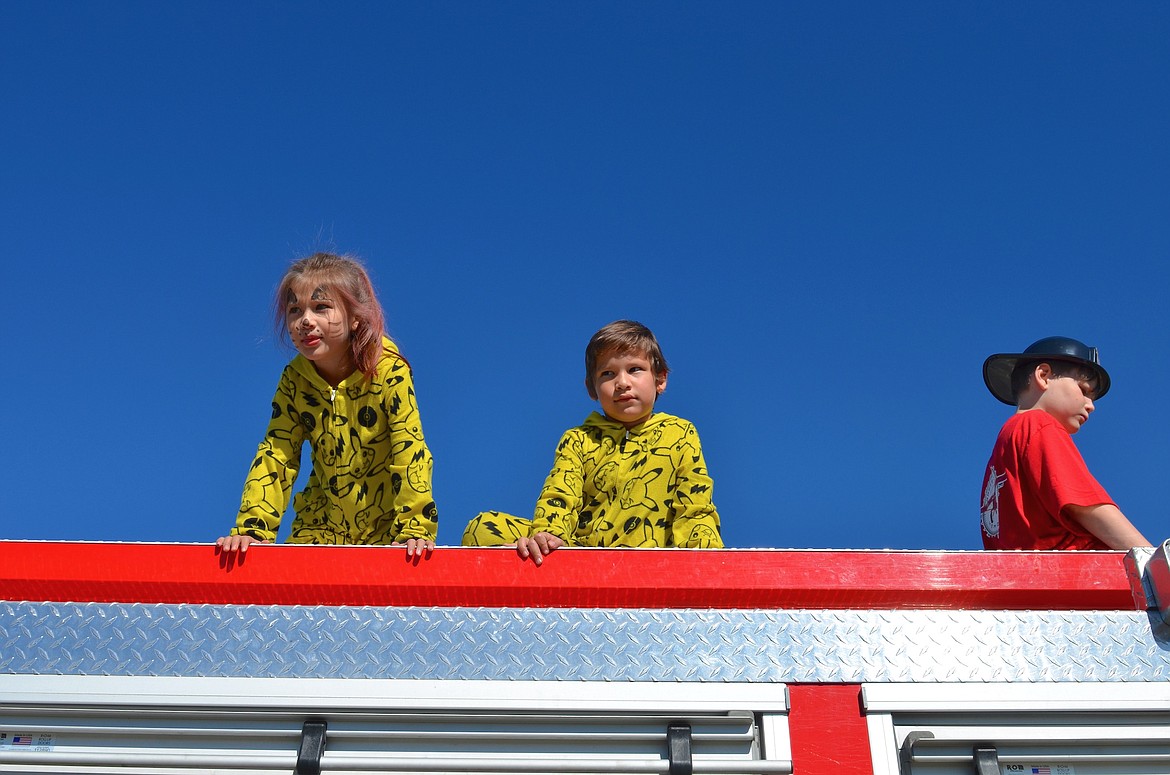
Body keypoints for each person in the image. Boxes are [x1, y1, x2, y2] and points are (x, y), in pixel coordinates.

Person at [217, 253, 437, 556]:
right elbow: (277, 454)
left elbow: (409, 446)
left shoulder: (387, 368)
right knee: (295, 596)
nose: (305, 320)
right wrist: (253, 530)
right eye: (295, 310)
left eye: (321, 307)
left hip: (386, 528)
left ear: (356, 317)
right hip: (319, 526)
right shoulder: (295, 380)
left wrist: (414, 527)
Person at [463, 320, 722, 564]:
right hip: (581, 552)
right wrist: (547, 533)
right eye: (608, 374)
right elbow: (560, 492)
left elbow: (694, 500)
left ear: (660, 379)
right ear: (592, 388)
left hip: (653, 555)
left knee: (700, 536)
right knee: (481, 526)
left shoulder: (678, 432)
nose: (622, 382)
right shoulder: (579, 438)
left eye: (634, 369)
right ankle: (536, 562)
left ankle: (527, 562)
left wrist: (707, 559)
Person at [980, 336, 1150, 550]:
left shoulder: (1005, 443)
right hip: (1075, 576)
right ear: (1043, 376)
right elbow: (1087, 507)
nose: (1091, 406)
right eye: (1084, 390)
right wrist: (1154, 563)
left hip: (1028, 577)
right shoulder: (1037, 424)